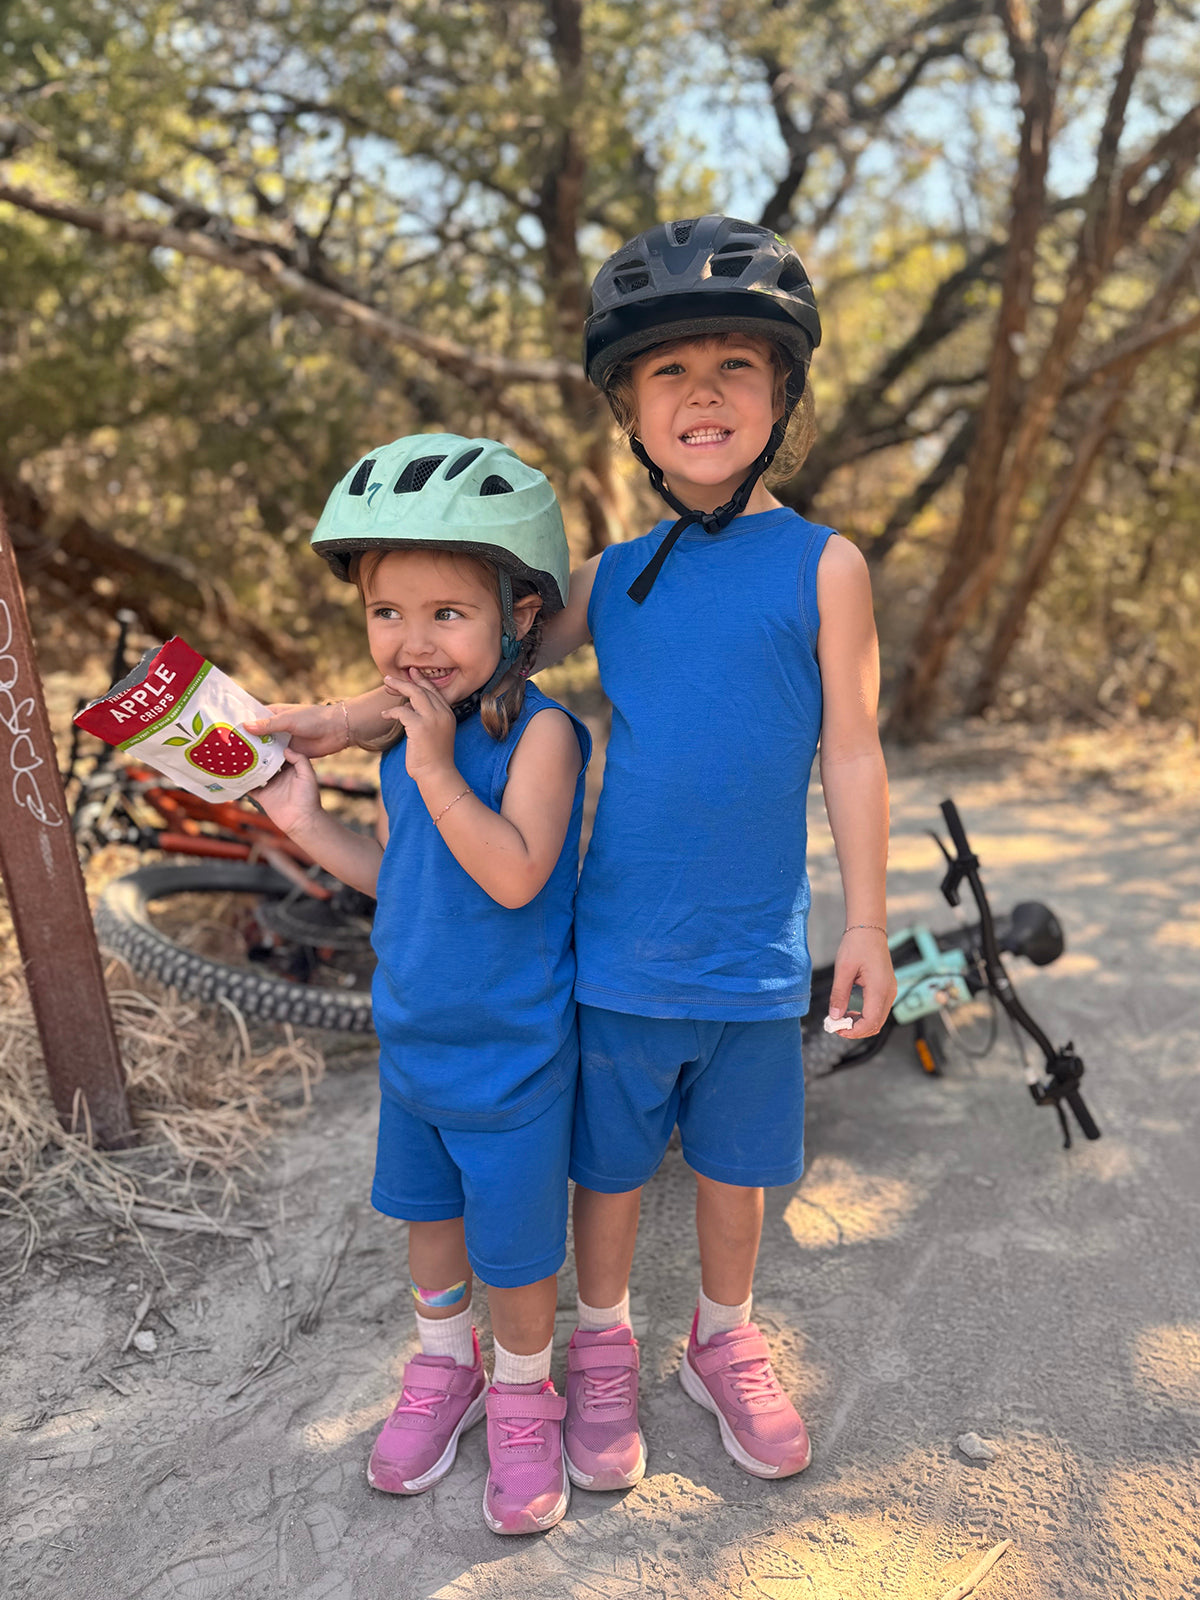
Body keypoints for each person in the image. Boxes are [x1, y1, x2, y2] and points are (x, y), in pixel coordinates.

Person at [250, 216, 895, 1490]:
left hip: (755, 951)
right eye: (669, 372)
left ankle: (722, 1338)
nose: (702, 394)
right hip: (617, 954)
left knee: (736, 1170)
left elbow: (856, 753)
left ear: (782, 393)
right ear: (630, 411)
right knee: (608, 1169)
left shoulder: (827, 567)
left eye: (736, 366)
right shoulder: (611, 576)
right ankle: (599, 1347)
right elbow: (465, 655)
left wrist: (867, 922)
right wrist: (338, 719)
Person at [253, 435, 590, 1536]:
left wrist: (438, 764)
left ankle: (525, 1392)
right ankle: (446, 1364)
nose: (412, 641)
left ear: (520, 615)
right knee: (431, 1225)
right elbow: (404, 873)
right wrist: (309, 827)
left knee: (517, 1251)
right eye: (386, 613)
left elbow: (514, 871)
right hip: (415, 1043)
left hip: (512, 1053)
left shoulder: (543, 736)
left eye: (447, 612)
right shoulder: (404, 748)